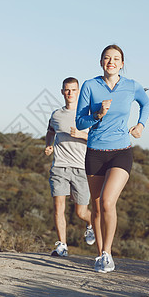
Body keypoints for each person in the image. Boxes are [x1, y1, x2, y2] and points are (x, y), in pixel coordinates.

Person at [75, 45, 149, 273]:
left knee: (108, 202)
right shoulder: (90, 86)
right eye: (107, 58)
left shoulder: (131, 86)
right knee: (96, 209)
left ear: (122, 63)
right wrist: (97, 115)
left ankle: (108, 253)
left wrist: (140, 125)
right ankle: (100, 255)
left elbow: (146, 103)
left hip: (121, 151)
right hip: (95, 153)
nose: (112, 61)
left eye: (116, 58)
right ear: (101, 62)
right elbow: (80, 122)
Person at [45, 77, 95, 257]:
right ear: (62, 92)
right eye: (67, 90)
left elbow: (97, 141)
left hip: (81, 168)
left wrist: (81, 134)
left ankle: (90, 225)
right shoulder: (56, 115)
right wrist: (49, 144)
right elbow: (50, 131)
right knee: (59, 207)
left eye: (73, 90)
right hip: (59, 166)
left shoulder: (87, 115)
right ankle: (62, 245)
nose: (70, 93)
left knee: (81, 212)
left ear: (79, 91)